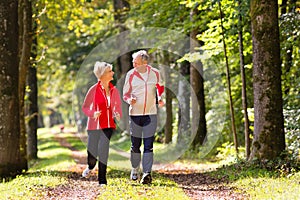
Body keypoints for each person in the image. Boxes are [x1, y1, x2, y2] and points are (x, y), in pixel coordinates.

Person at [123, 50, 164, 184]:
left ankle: (147, 173)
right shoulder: (130, 74)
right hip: (135, 114)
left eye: (136, 63)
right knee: (135, 145)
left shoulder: (155, 73)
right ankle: (135, 168)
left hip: (151, 114)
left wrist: (160, 98)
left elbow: (160, 87)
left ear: (144, 63)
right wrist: (130, 99)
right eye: (133, 62)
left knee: (149, 145)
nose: (133, 65)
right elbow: (125, 94)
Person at [81, 61, 122, 186]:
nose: (113, 73)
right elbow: (85, 107)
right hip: (94, 126)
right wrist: (93, 113)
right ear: (103, 74)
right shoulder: (93, 89)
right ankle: (90, 166)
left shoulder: (114, 90)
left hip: (108, 125)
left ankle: (102, 181)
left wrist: (117, 113)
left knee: (103, 150)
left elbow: (117, 106)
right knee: (92, 153)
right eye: (110, 71)